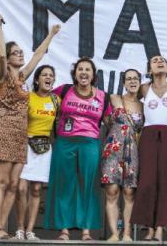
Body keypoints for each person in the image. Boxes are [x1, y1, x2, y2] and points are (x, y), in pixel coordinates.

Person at [0, 13, 59, 240]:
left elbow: (37, 55)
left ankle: (4, 230)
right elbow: (0, 53)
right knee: (2, 181)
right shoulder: (3, 75)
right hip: (5, 129)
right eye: (15, 52)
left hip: (21, 134)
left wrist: (51, 35)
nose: (20, 55)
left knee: (15, 183)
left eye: (20, 52)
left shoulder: (24, 78)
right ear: (8, 57)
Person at [43, 57, 112, 241]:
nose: (83, 72)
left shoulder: (103, 97)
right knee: (65, 185)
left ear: (93, 75)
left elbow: (110, 122)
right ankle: (64, 230)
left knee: (87, 186)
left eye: (87, 70)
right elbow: (43, 103)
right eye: (80, 69)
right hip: (65, 142)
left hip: (90, 144)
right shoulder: (63, 91)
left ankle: (86, 231)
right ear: (75, 74)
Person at [131, 55, 167, 242]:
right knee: (147, 182)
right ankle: (149, 227)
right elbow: (128, 99)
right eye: (155, 61)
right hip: (148, 136)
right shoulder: (144, 88)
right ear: (149, 69)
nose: (159, 62)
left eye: (162, 60)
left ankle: (161, 226)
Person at [13, 65, 58, 241]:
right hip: (26, 144)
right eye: (44, 75)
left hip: (45, 146)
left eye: (51, 75)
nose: (48, 77)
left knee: (37, 189)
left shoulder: (56, 100)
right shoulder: (28, 97)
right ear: (37, 79)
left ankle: (30, 231)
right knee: (21, 187)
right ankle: (19, 229)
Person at [101, 68, 144, 242]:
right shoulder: (114, 98)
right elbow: (104, 119)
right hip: (113, 148)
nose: (132, 81)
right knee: (112, 190)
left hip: (133, 150)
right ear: (124, 83)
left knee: (129, 192)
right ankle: (113, 234)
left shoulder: (144, 105)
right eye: (129, 79)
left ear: (140, 82)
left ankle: (127, 233)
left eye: (136, 78)